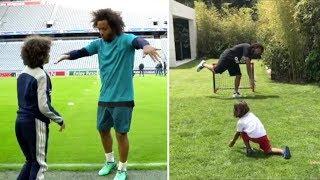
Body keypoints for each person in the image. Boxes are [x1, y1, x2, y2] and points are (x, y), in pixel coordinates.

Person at [54, 9, 160, 180]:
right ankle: (109, 161)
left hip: (123, 99)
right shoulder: (98, 44)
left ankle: (122, 168)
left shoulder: (126, 40)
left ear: (114, 26)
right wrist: (67, 56)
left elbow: (138, 41)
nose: (102, 32)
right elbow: (82, 52)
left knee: (121, 134)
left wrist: (146, 45)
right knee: (103, 130)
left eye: (105, 29)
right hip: (104, 97)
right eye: (99, 29)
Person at [16, 36, 65, 180]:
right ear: (40, 55)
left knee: (30, 161)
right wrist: (59, 119)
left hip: (20, 122)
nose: (49, 55)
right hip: (35, 123)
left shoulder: (22, 73)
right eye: (47, 52)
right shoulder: (41, 75)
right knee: (39, 165)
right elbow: (43, 106)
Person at [196, 43, 264, 98]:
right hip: (227, 56)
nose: (259, 52)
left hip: (234, 60)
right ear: (255, 47)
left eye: (260, 52)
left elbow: (248, 64)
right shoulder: (247, 47)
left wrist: (251, 78)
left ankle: (236, 92)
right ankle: (204, 64)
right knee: (216, 70)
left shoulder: (251, 53)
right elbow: (248, 65)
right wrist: (251, 78)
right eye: (259, 50)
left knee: (238, 75)